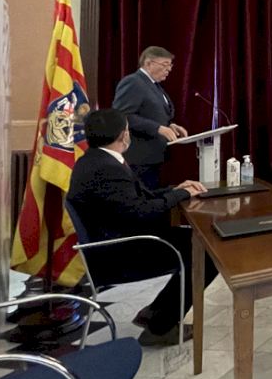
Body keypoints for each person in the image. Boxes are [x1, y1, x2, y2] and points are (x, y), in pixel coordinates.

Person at [67, 108, 211, 346]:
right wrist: (181, 195)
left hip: (116, 240)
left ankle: (156, 312)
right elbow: (142, 212)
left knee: (197, 243)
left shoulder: (95, 160)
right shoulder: (107, 168)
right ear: (123, 135)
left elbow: (137, 198)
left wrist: (175, 190)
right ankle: (161, 327)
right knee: (205, 251)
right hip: (119, 253)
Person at [111, 46, 189, 188]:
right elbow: (122, 115)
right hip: (139, 159)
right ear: (148, 63)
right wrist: (158, 128)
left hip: (155, 156)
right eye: (165, 64)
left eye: (170, 65)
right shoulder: (133, 82)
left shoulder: (154, 85)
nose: (169, 69)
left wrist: (169, 125)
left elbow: (152, 113)